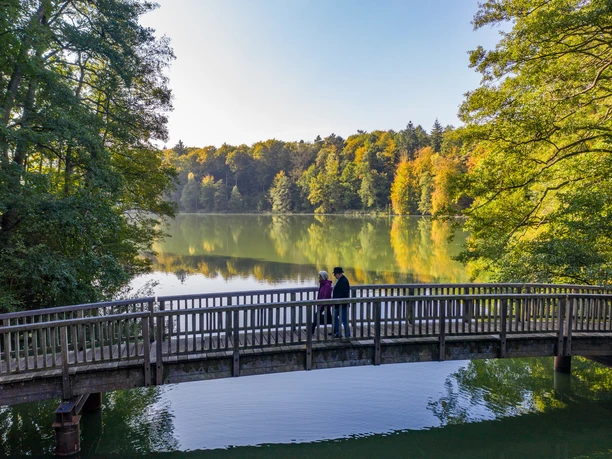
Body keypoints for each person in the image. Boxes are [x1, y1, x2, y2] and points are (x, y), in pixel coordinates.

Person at [332, 266, 350, 338]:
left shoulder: (344, 281)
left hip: (342, 304)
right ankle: (338, 332)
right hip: (337, 303)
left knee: (344, 320)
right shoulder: (340, 280)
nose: (334, 275)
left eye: (335, 274)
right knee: (335, 316)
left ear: (339, 274)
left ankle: (347, 334)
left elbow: (344, 293)